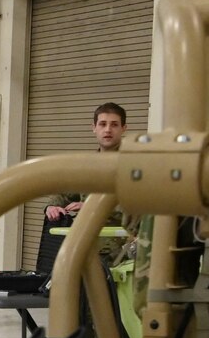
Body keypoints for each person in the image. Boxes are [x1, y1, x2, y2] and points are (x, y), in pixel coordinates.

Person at [43, 102, 144, 309]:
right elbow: (63, 191)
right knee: (83, 313)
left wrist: (92, 206)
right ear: (94, 127)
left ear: (124, 129)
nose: (108, 130)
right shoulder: (87, 164)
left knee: (112, 316)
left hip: (121, 255)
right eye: (103, 124)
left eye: (114, 125)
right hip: (88, 252)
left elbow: (143, 204)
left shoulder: (135, 164)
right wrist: (52, 207)